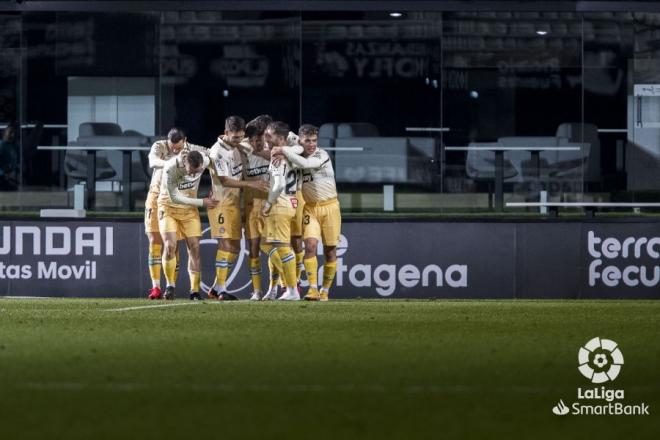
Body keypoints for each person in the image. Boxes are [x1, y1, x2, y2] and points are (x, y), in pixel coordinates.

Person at [273, 124, 341, 301]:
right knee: (309, 246)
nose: (311, 144)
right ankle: (313, 289)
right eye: (307, 141)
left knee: (330, 251)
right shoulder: (297, 151)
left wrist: (283, 150)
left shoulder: (322, 155)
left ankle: (325, 291)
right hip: (310, 208)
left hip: (330, 207)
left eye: (314, 140)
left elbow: (306, 164)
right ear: (300, 141)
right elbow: (282, 133)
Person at [206, 116, 269, 301]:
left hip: (234, 204)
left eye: (241, 137)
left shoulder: (237, 146)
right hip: (221, 204)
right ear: (226, 133)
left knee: (233, 248)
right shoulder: (217, 152)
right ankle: (222, 289)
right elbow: (225, 180)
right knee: (225, 245)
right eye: (235, 137)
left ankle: (216, 288)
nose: (238, 140)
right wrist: (252, 184)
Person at [158, 149, 218, 300]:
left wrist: (215, 188)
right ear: (185, 163)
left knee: (195, 248)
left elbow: (215, 164)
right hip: (168, 207)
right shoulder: (170, 168)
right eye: (191, 171)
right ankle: (170, 285)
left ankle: (195, 291)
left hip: (190, 211)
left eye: (197, 172)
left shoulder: (204, 160)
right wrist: (202, 202)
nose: (193, 175)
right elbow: (175, 198)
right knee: (170, 245)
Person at [144, 127, 193, 300]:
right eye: (172, 147)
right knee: (154, 241)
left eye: (178, 148)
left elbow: (208, 157)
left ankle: (170, 285)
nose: (175, 150)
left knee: (171, 243)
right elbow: (152, 161)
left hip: (175, 199)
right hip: (156, 195)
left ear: (184, 140)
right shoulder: (159, 146)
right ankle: (155, 286)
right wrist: (172, 162)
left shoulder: (190, 150)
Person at [260, 121, 301, 301]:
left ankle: (292, 289)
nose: (267, 138)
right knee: (269, 245)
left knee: (283, 248)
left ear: (282, 139)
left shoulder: (277, 156)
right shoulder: (293, 151)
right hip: (291, 202)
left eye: (271, 135)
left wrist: (268, 204)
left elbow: (279, 184)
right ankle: (279, 287)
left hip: (279, 204)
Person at [241, 118, 272, 300]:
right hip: (252, 205)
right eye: (251, 140)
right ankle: (257, 290)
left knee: (275, 247)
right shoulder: (244, 147)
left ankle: (275, 288)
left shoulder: (277, 148)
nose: (254, 143)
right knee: (253, 248)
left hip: (272, 206)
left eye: (258, 140)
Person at [0, 122, 18, 190]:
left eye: (14, 133)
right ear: (4, 133)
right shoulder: (1, 145)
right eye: (10, 132)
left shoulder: (10, 146)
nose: (13, 135)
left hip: (8, 177)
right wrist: (4, 173)